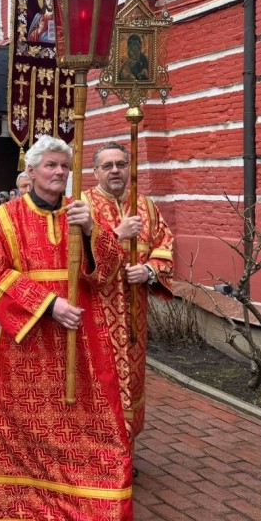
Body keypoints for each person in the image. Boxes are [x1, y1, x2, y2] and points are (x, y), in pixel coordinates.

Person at [0, 135, 140, 521]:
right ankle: (23, 518)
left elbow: (105, 272)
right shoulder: (5, 216)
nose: (58, 173)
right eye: (50, 165)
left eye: (64, 167)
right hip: (27, 345)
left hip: (80, 340)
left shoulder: (81, 213)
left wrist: (90, 232)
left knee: (96, 429)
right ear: (30, 172)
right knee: (24, 432)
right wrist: (49, 304)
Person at [84, 143, 173, 444]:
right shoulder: (84, 206)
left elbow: (165, 245)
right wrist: (117, 235)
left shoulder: (145, 206)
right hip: (95, 313)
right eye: (107, 166)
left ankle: (124, 450)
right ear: (95, 171)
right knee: (97, 382)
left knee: (131, 382)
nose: (115, 171)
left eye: (121, 164)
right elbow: (72, 257)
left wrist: (148, 271)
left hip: (134, 316)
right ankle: (97, 452)